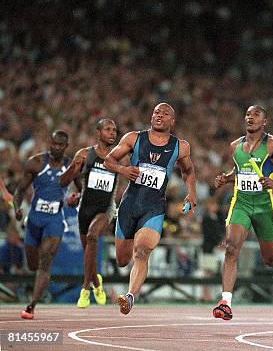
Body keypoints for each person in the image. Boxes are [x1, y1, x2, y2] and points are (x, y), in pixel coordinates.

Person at [104, 103, 196, 315]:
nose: (159, 116)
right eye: (156, 112)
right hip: (129, 204)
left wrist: (191, 192)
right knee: (122, 259)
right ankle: (130, 286)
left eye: (165, 114)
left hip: (154, 207)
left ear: (172, 121)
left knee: (142, 251)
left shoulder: (180, 147)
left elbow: (188, 172)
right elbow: (109, 160)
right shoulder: (133, 139)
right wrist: (123, 169)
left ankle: (130, 295)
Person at [212, 105, 273, 320]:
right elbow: (241, 170)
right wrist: (226, 178)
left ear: (265, 122)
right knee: (231, 248)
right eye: (248, 114)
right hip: (241, 202)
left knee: (270, 260)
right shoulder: (235, 146)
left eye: (256, 115)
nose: (250, 117)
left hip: (263, 205)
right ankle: (225, 302)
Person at [13, 130, 77, 319]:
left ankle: (31, 305)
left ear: (66, 146)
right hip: (34, 219)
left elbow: (80, 191)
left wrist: (75, 199)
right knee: (33, 265)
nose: (56, 147)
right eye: (54, 144)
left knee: (47, 258)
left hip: (55, 219)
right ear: (50, 143)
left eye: (60, 145)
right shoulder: (36, 162)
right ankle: (34, 289)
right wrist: (17, 208)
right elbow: (19, 190)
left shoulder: (71, 166)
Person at [60, 119, 120, 308]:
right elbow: (65, 180)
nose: (112, 133)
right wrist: (75, 189)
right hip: (85, 207)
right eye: (108, 129)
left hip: (106, 207)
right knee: (89, 250)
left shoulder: (120, 155)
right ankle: (96, 281)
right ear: (98, 132)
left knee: (93, 236)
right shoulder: (85, 154)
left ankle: (85, 289)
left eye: (114, 130)